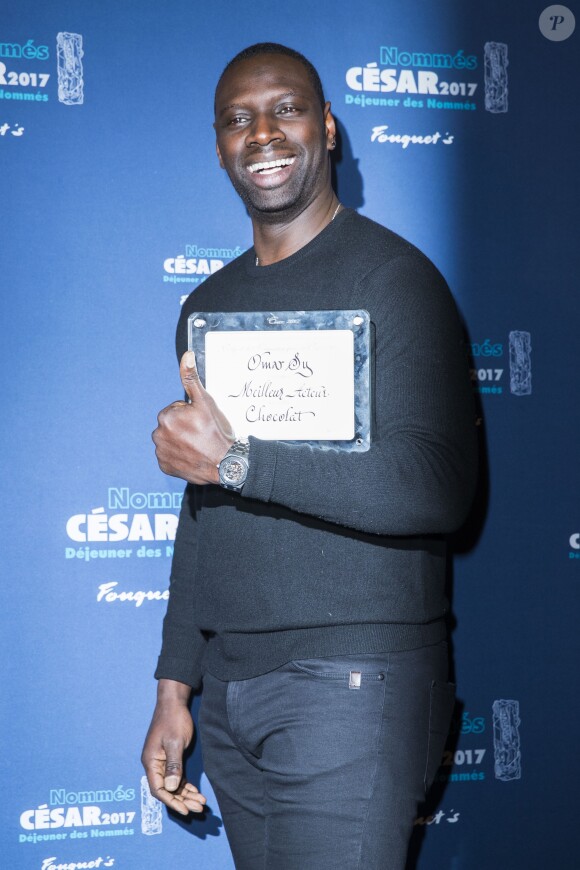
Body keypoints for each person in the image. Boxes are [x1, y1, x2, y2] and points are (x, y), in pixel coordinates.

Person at [142, 42, 477, 870]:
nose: (262, 132)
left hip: (355, 682)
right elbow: (205, 508)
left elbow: (436, 490)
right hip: (232, 696)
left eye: (285, 108)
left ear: (326, 126)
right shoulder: (207, 307)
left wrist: (240, 461)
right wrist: (174, 686)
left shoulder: (396, 282)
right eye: (238, 118)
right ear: (219, 143)